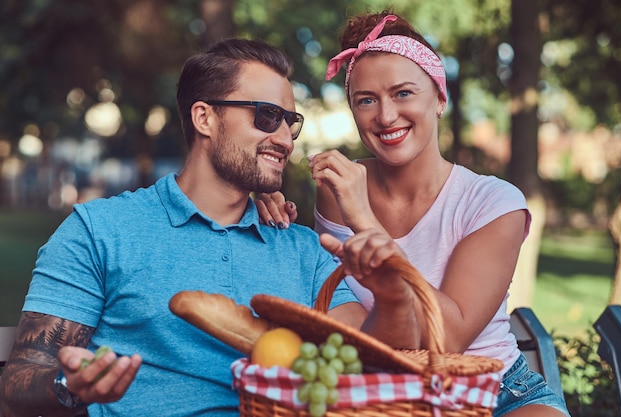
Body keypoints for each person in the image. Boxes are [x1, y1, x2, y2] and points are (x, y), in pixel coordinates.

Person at [0, 38, 420, 417]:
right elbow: (19, 380)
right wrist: (69, 387)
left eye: (290, 122)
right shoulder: (99, 231)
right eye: (267, 116)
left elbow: (374, 356)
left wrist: (390, 289)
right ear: (204, 117)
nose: (287, 140)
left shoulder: (304, 249)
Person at [256, 10, 570, 417]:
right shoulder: (336, 189)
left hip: (498, 395)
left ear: (439, 98)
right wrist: (264, 203)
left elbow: (449, 337)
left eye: (403, 93)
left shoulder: (493, 201)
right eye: (366, 100)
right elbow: (329, 289)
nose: (385, 116)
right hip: (384, 397)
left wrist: (365, 220)